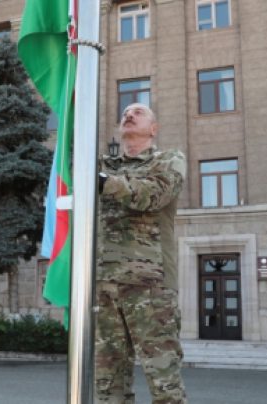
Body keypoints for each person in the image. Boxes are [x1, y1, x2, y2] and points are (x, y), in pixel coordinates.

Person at [95, 103, 187, 403]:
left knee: (164, 382)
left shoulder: (169, 160)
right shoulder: (104, 165)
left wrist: (107, 185)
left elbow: (155, 194)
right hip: (104, 284)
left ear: (153, 129)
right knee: (108, 383)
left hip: (150, 285)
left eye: (138, 112)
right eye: (124, 113)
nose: (128, 115)